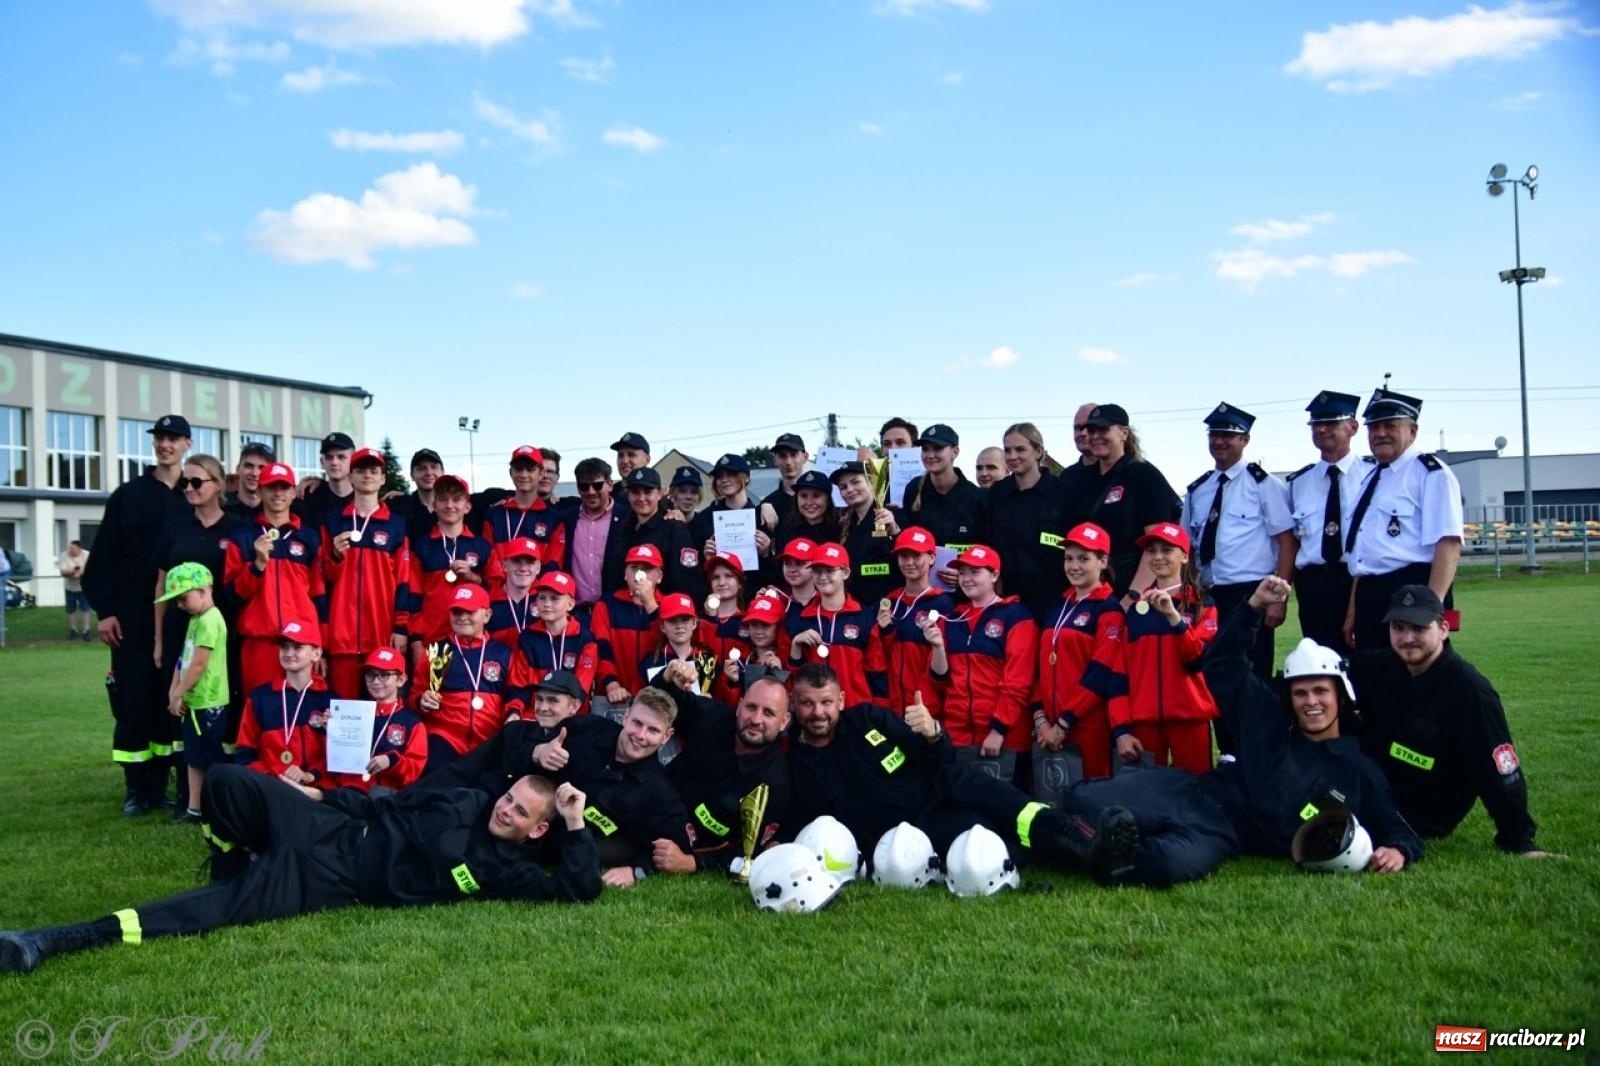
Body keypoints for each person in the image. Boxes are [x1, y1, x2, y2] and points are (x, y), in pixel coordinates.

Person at [0, 764, 599, 974]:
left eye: (521, 811)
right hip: (330, 827)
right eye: (509, 797)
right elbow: (388, 803)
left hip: (335, 882)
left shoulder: (509, 873)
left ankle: (57, 939)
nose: (505, 808)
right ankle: (232, 862)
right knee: (231, 783)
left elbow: (578, 892)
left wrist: (575, 823)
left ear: (536, 828)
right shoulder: (468, 798)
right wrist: (319, 799)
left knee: (218, 911)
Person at [1051, 576, 1423, 886]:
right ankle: (1101, 836)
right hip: (1192, 792)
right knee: (1081, 800)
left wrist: (1400, 849)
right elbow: (1222, 664)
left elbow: (1398, 825)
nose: (1311, 702)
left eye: (1321, 691)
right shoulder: (1269, 720)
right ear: (1289, 697)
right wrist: (1253, 607)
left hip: (1220, 832)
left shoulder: (1357, 767)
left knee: (1165, 866)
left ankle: (1094, 845)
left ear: (1340, 697)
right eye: (1301, 692)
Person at [785, 664, 1140, 882]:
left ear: (841, 700)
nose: (818, 712)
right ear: (794, 705)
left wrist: (932, 732)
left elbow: (938, 757)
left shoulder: (867, 719)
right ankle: (1093, 854)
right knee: (992, 839)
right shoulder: (795, 762)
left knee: (997, 796)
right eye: (807, 703)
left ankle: (1082, 838)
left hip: (942, 786)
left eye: (826, 702)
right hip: (910, 833)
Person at [415, 687, 692, 888]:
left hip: (561, 843)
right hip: (521, 814)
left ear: (667, 736)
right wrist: (539, 752)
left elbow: (674, 848)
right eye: (637, 723)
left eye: (653, 730)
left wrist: (637, 872)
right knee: (472, 793)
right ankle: (410, 809)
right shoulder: (584, 728)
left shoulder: (659, 794)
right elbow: (517, 753)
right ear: (625, 715)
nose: (640, 736)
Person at [1351, 585, 1550, 856]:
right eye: (1398, 628)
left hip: (1425, 809)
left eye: (1419, 628)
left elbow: (1500, 769)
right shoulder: (1380, 667)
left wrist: (1519, 840)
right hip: (1377, 787)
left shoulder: (1471, 692)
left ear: (1443, 629)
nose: (1407, 638)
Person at [82, 412, 191, 815]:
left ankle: (161, 787)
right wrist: (106, 611)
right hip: (130, 617)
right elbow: (104, 556)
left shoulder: (192, 495)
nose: (166, 445)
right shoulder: (128, 496)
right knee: (132, 701)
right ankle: (135, 790)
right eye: (160, 438)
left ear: (186, 445)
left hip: (178, 618)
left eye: (174, 439)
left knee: (169, 701)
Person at [1342, 388, 1464, 652]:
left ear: (1413, 431)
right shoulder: (1371, 478)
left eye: (1390, 426)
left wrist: (1430, 608)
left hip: (1412, 591)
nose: (1380, 433)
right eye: (1374, 427)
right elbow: (1364, 555)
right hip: (1370, 593)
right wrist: (1354, 609)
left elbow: (1449, 544)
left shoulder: (1430, 474)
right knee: (1376, 680)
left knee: (1416, 680)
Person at [1180, 403, 1294, 684]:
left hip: (1252, 593)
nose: (1219, 441)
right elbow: (1188, 549)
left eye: (1228, 435)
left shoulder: (1263, 484)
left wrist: (1278, 599)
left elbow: (1287, 542)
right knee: (1213, 674)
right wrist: (1190, 595)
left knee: (1252, 676)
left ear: (1245, 440)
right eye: (1214, 435)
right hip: (1210, 596)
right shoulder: (1198, 490)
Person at [650, 660, 794, 875]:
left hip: (679, 843)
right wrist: (667, 676)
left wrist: (693, 863)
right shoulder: (713, 716)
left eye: (769, 713)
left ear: (784, 722)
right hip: (649, 807)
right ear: (739, 706)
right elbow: (660, 703)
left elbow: (748, 852)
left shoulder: (776, 784)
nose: (756, 719)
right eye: (751, 707)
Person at [924, 545, 1038, 783]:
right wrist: (937, 647)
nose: (967, 579)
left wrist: (998, 730)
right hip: (958, 738)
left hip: (1004, 740)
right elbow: (939, 679)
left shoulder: (1016, 616)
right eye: (963, 572)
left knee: (1004, 814)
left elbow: (1017, 681)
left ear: (994, 575)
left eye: (975, 572)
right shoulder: (952, 617)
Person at [1114, 523, 1218, 775]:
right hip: (1145, 721)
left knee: (1196, 794)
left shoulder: (1202, 604)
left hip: (1190, 717)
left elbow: (1196, 660)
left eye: (1166, 550)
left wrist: (1174, 618)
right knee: (1148, 799)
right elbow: (1119, 674)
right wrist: (1122, 729)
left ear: (1184, 556)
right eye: (1152, 551)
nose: (1158, 557)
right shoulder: (1135, 609)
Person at [1032, 522, 1127, 782]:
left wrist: (1064, 723)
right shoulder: (1058, 606)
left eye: (1084, 559)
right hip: (1048, 727)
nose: (1074, 566)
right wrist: (1041, 719)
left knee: (1090, 804)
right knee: (1054, 802)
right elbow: (1040, 666)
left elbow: (1101, 673)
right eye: (1069, 558)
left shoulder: (1109, 610)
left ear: (1103, 561)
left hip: (1087, 726)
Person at [226, 462, 326, 696]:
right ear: (260, 491)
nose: (278, 493)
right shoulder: (242, 537)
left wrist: (321, 644)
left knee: (301, 715)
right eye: (271, 487)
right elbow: (232, 595)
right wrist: (257, 566)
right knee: (261, 715)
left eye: (284, 487)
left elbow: (319, 595)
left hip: (301, 644)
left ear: (293, 493)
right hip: (260, 644)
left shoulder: (309, 538)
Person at [1061, 405, 1180, 601]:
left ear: (1124, 433)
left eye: (1103, 429)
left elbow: (1156, 543)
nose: (1095, 436)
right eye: (1091, 430)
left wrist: (1133, 595)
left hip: (1131, 586)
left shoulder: (1144, 475)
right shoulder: (1080, 479)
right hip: (1090, 590)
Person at [320, 447, 412, 697]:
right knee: (345, 715)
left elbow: (403, 580)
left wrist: (400, 628)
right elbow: (321, 580)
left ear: (383, 478)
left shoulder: (396, 525)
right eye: (361, 470)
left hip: (381, 636)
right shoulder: (332, 521)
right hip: (341, 639)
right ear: (350, 477)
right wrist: (335, 557)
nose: (367, 475)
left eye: (374, 471)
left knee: (380, 710)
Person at [1286, 391, 1363, 655]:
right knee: (1320, 661)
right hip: (1313, 586)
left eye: (1331, 423)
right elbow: (1291, 541)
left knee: (1364, 662)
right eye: (1316, 424)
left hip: (1355, 580)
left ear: (1352, 427)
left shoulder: (1371, 476)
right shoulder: (1298, 483)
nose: (1321, 429)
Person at [411, 583, 514, 770]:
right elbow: (415, 695)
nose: (463, 618)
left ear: (487, 615)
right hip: (445, 737)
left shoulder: (504, 654)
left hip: (489, 739)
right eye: (457, 612)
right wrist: (421, 701)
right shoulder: (436, 651)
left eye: (470, 612)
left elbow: (513, 697)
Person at [157, 563, 229, 824]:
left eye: (183, 598)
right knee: (193, 757)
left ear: (203, 590)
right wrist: (173, 691)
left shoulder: (211, 620)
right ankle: (194, 809)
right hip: (192, 701)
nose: (180, 605)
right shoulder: (195, 620)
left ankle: (218, 811)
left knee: (209, 759)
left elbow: (199, 663)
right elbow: (183, 659)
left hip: (208, 702)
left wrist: (178, 693)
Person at [978, 423, 1070, 621]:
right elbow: (986, 541)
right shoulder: (996, 494)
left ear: (1038, 451)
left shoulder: (1063, 493)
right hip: (1007, 597)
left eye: (1020, 449)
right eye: (1008, 450)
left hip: (1054, 597)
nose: (1012, 456)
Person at [235, 619, 334, 788]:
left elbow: (338, 758)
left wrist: (310, 775)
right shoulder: (260, 698)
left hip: (316, 787)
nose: (288, 653)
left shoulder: (331, 702)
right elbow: (245, 753)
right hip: (271, 787)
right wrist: (272, 780)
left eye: (297, 647)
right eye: (284, 647)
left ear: (316, 654)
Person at [787, 542, 885, 708]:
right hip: (815, 713)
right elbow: (794, 679)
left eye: (830, 570)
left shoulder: (864, 618)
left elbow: (877, 672)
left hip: (856, 711)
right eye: (817, 571)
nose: (823, 576)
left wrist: (879, 714)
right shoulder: (801, 619)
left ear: (845, 573)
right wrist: (795, 647)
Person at [875, 527, 956, 723]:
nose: (909, 563)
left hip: (926, 711)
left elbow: (946, 668)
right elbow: (879, 657)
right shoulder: (889, 602)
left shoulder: (944, 604)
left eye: (916, 556)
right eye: (904, 556)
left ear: (931, 558)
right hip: (891, 709)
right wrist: (885, 632)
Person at [321, 647, 427, 793]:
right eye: (370, 675)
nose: (376, 681)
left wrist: (391, 761)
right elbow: (336, 759)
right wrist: (332, 731)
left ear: (401, 680)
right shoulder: (352, 713)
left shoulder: (412, 722)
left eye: (384, 675)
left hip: (390, 794)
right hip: (352, 788)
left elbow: (415, 767)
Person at [407, 473, 491, 648]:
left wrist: (473, 578)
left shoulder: (482, 546)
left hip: (474, 643)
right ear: (434, 505)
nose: (449, 505)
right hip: (433, 642)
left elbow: (497, 590)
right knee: (430, 677)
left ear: (467, 506)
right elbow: (413, 598)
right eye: (443, 499)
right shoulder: (421, 546)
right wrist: (416, 641)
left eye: (456, 499)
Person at [600, 467, 706, 603]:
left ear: (660, 493)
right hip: (625, 613)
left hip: (661, 614)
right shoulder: (624, 528)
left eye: (648, 491)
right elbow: (614, 576)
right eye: (635, 492)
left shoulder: (674, 528)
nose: (641, 498)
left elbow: (688, 583)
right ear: (628, 495)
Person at [505, 570, 600, 716]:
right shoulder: (527, 637)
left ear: (570, 604)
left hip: (572, 717)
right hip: (534, 717)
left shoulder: (585, 638)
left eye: (554, 598)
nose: (546, 604)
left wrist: (565, 714)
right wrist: (514, 712)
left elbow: (581, 687)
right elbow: (518, 683)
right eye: (542, 598)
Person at [901, 425, 985, 575]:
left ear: (954, 452)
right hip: (921, 587)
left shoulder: (976, 498)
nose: (930, 455)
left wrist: (962, 575)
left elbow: (984, 550)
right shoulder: (913, 489)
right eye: (925, 449)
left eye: (937, 448)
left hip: (965, 589)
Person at [593, 544, 668, 710]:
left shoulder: (669, 607)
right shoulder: (607, 605)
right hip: (613, 696)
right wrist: (611, 683)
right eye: (634, 568)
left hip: (654, 699)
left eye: (647, 569)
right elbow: (601, 649)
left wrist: (650, 605)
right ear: (625, 574)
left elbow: (665, 648)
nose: (639, 575)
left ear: (659, 576)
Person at [482, 445, 567, 585]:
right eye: (518, 469)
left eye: (530, 469)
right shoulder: (494, 515)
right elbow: (488, 558)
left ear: (540, 473)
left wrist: (535, 590)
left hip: (537, 598)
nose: (523, 475)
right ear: (511, 472)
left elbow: (554, 563)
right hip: (500, 595)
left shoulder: (553, 518)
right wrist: (505, 586)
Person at [833, 461, 898, 608]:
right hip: (854, 608)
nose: (849, 489)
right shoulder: (843, 524)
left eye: (855, 482)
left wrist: (895, 530)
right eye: (843, 487)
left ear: (870, 482)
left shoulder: (893, 516)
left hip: (886, 608)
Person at [691, 454, 766, 562]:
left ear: (746, 478)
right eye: (720, 476)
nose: (724, 480)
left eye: (731, 474)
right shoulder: (704, 519)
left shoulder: (761, 516)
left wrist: (767, 553)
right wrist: (705, 557)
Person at [566, 457, 615, 614]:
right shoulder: (566, 519)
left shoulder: (628, 517)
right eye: (584, 486)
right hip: (576, 612)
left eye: (597, 485)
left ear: (610, 484)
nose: (591, 492)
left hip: (612, 612)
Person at [487, 537, 544, 648]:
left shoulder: (546, 600)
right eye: (517, 562)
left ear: (538, 568)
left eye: (530, 563)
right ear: (504, 565)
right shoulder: (488, 602)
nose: (523, 568)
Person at [387, 447, 445, 544]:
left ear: (442, 473)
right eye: (421, 468)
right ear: (412, 475)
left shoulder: (456, 509)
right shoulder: (397, 506)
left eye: (434, 467)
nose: (429, 473)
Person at [299, 432, 356, 528]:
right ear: (322, 462)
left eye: (341, 457)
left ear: (353, 460)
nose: (334, 462)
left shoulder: (363, 497)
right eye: (329, 457)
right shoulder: (308, 497)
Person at [760, 433, 811, 528]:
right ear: (775, 460)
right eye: (783, 456)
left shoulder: (820, 499)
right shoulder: (769, 503)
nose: (788, 462)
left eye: (793, 455)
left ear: (805, 457)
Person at [223, 441, 276, 521]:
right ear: (238, 469)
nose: (254, 473)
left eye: (262, 468)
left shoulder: (278, 508)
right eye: (249, 466)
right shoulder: (220, 505)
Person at [57, 538, 92, 639]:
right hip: (70, 587)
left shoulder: (87, 555)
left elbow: (91, 569)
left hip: (84, 587)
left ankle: (86, 630)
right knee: (70, 609)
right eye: (70, 548)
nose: (71, 550)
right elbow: (62, 571)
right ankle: (73, 630)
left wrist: (81, 573)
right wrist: (72, 571)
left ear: (80, 548)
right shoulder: (65, 555)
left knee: (85, 608)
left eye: (73, 548)